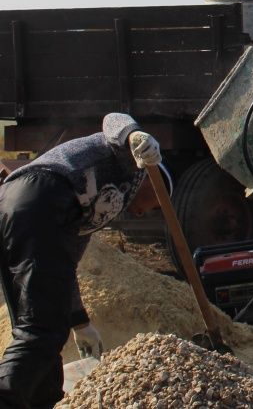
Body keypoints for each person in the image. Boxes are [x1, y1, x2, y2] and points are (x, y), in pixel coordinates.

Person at [0, 112, 164, 409]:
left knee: (37, 328)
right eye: (154, 206)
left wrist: (80, 322)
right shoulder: (130, 164)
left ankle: (41, 401)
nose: (142, 214)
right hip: (43, 193)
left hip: (14, 205)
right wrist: (135, 135)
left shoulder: (92, 215)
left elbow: (64, 268)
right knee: (42, 329)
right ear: (155, 183)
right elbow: (113, 120)